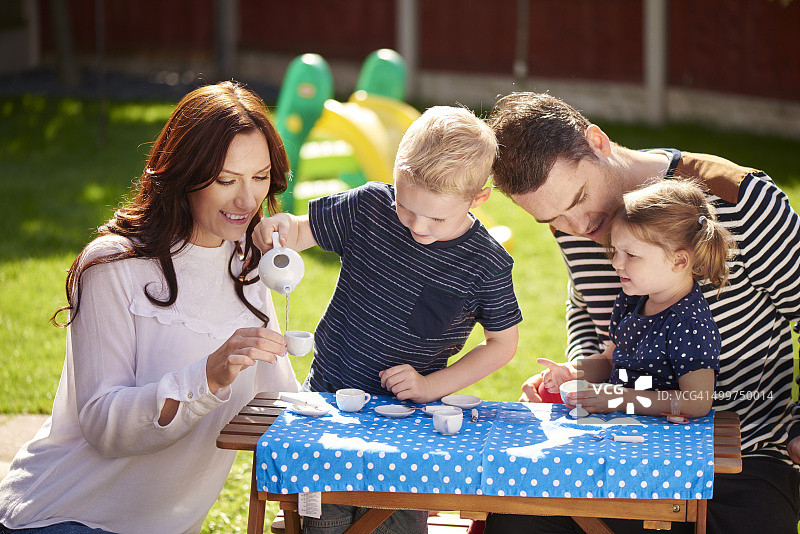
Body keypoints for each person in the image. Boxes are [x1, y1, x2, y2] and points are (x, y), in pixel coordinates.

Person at [483, 91, 800, 534]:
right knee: (517, 522)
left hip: (739, 459)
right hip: (616, 446)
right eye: (551, 220)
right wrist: (578, 373)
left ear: (598, 142)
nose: (578, 229)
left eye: (577, 200)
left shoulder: (739, 200)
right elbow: (585, 306)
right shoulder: (573, 224)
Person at [0, 81, 299, 534]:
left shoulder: (249, 268)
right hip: (65, 515)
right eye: (225, 180)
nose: (247, 199)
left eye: (259, 178)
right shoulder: (113, 265)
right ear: (184, 174)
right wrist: (208, 376)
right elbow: (104, 425)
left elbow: (279, 403)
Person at [256, 105, 523, 533]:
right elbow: (302, 230)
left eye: (436, 217)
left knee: (393, 526)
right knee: (321, 523)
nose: (417, 225)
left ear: (479, 199)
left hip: (409, 422)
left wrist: (430, 386)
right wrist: (283, 227)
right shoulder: (369, 207)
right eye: (406, 207)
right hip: (328, 402)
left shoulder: (486, 264)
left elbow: (502, 345)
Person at [539, 179, 733, 418]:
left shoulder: (688, 324)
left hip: (663, 444)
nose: (615, 263)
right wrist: (572, 371)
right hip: (622, 432)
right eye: (616, 251)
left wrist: (618, 398)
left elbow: (696, 402)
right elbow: (610, 361)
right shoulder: (633, 302)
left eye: (630, 255)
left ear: (679, 261)